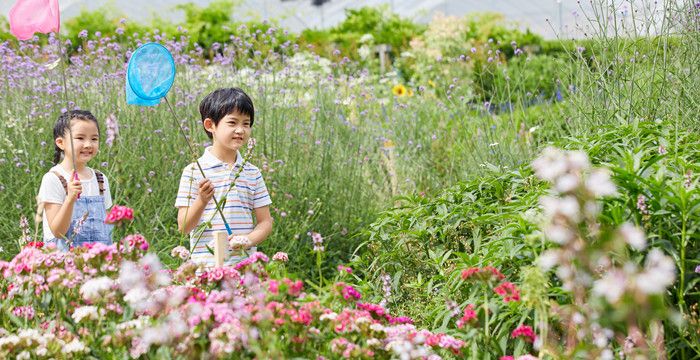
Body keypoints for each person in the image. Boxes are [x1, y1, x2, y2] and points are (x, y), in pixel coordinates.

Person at [176, 87, 273, 269]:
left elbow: (265, 222)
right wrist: (202, 200)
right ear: (210, 125)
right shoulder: (193, 172)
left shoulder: (252, 173)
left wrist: (247, 240)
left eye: (246, 123)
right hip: (205, 272)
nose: (240, 130)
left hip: (244, 269)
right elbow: (184, 227)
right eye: (232, 122)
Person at [38, 110, 113, 250]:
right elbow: (58, 232)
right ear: (60, 143)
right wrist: (70, 198)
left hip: (98, 263)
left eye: (94, 139)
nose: (88, 144)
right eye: (80, 138)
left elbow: (107, 228)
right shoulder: (53, 179)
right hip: (64, 264)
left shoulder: (100, 179)